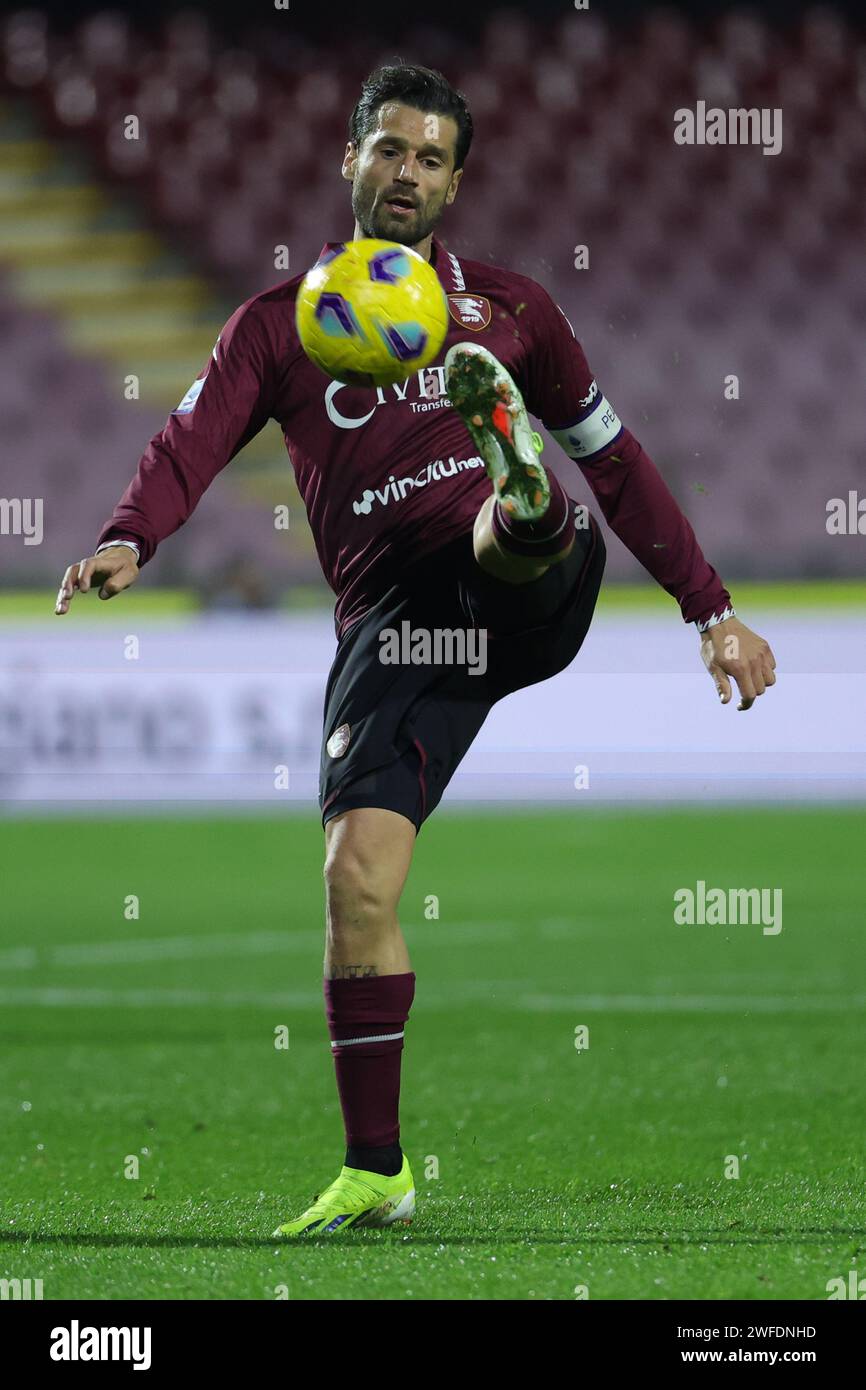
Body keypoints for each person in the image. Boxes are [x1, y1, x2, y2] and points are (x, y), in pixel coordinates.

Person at [55, 61, 776, 1237]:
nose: (407, 174)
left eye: (431, 158)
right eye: (389, 150)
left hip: (520, 581)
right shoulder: (279, 329)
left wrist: (710, 609)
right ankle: (377, 1167)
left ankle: (511, 485)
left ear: (455, 182)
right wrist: (130, 537)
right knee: (354, 879)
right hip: (395, 626)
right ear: (349, 158)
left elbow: (620, 460)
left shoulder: (515, 310)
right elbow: (188, 438)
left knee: (523, 518)